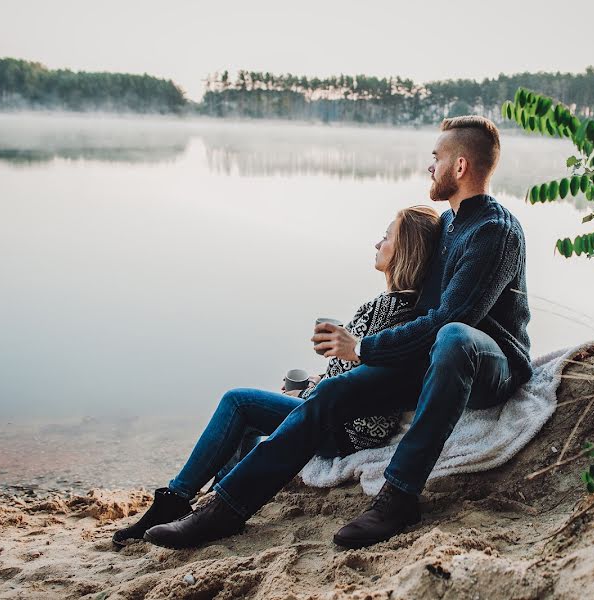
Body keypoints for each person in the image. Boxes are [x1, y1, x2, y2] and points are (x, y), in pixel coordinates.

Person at [138, 115, 532, 551]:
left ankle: (399, 496)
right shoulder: (450, 225)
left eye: (435, 158)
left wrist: (363, 347)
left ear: (459, 167)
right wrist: (361, 358)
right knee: (330, 394)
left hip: (491, 365)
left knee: (455, 336)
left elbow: (450, 319)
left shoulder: (495, 232)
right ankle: (225, 509)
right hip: (433, 361)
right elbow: (420, 304)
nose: (429, 167)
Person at [112, 205, 441, 547]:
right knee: (249, 414)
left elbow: (356, 380)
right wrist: (317, 381)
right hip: (345, 420)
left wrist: (313, 385)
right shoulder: (410, 310)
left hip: (345, 429)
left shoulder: (389, 309)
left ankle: (179, 499)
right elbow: (358, 376)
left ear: (405, 251)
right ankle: (211, 495)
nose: (377, 243)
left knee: (238, 403)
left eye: (387, 236)